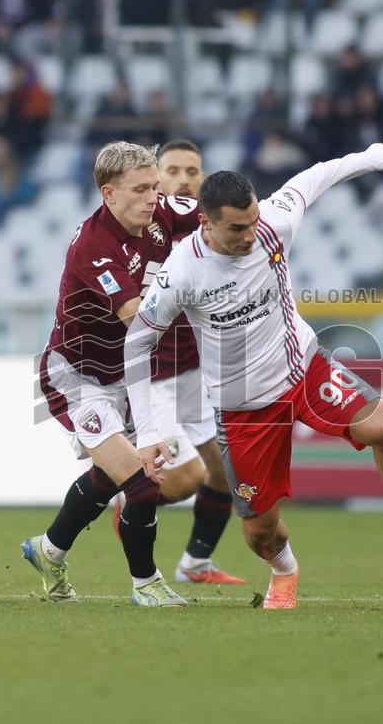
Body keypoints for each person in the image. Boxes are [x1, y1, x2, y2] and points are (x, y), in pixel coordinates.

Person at [124, 142, 383, 610]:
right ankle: (284, 571)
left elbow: (316, 176)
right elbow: (136, 343)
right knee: (260, 530)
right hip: (243, 408)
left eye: (253, 221)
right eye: (237, 228)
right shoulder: (181, 274)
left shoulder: (272, 223)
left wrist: (373, 156)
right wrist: (148, 432)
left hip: (304, 369)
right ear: (206, 223)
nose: (250, 235)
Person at [25, 141, 202, 607]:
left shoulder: (159, 213)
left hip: (121, 375)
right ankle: (146, 583)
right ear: (109, 194)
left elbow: (222, 214)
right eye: (142, 189)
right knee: (142, 482)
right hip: (74, 378)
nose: (154, 198)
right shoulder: (94, 247)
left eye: (156, 187)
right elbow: (136, 320)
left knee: (109, 478)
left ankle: (48, 551)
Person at [115, 139, 245, 585]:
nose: (185, 179)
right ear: (155, 181)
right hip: (147, 376)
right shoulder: (136, 233)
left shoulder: (211, 230)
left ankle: (195, 564)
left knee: (227, 474)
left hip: (193, 370)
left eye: (194, 171)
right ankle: (119, 489)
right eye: (174, 171)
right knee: (184, 480)